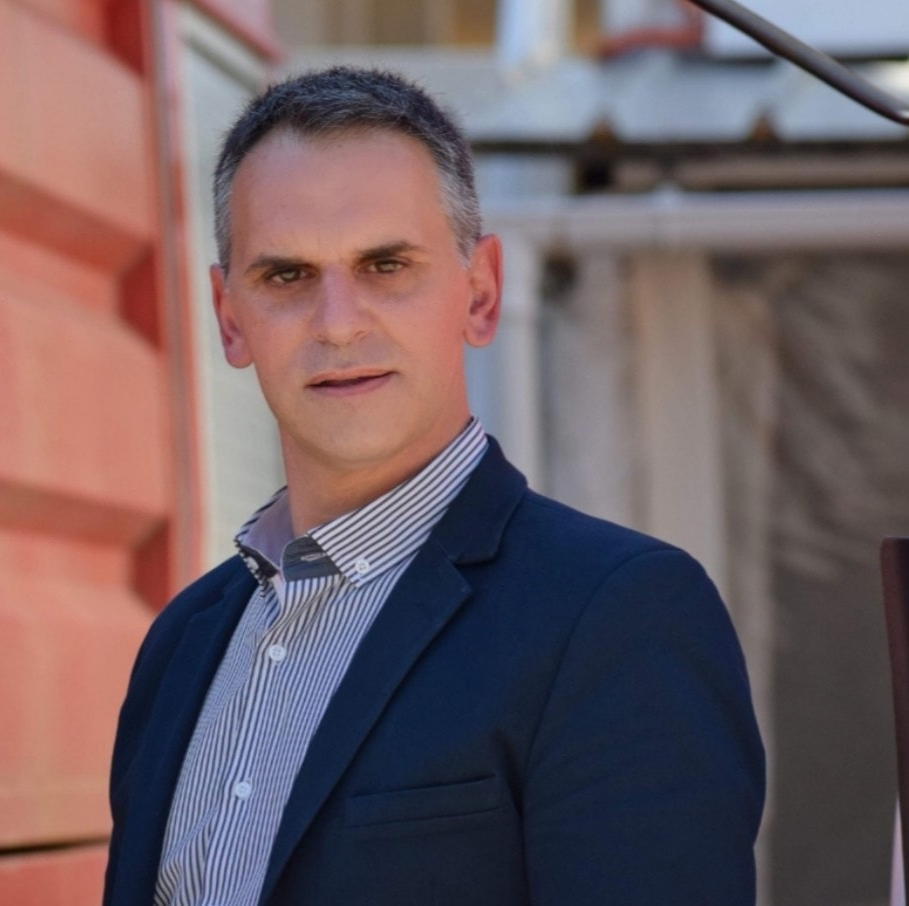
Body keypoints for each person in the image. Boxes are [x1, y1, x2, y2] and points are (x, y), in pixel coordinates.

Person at [103, 66, 764, 906]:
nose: (339, 323)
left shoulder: (617, 615)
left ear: (480, 294)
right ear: (230, 317)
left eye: (385, 265)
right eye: (287, 276)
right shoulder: (180, 645)